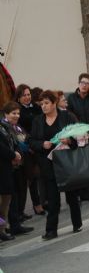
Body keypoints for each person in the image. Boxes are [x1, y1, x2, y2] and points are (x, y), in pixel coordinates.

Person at [30, 91, 82, 240]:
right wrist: (42, 144)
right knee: (52, 198)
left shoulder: (67, 117)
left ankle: (77, 223)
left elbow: (79, 137)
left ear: (54, 103)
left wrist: (70, 141)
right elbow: (32, 141)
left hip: (66, 160)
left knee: (72, 194)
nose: (44, 107)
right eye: (42, 104)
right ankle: (51, 230)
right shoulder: (38, 121)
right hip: (48, 162)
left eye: (46, 103)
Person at [1, 102, 35, 235]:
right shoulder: (3, 127)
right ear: (6, 114)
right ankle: (4, 229)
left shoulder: (13, 127)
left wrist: (17, 153)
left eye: (18, 113)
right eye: (13, 113)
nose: (17, 116)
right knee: (4, 201)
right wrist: (13, 155)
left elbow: (14, 142)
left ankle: (13, 225)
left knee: (12, 196)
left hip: (13, 164)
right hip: (4, 166)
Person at [15, 84, 45, 216]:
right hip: (27, 148)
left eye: (28, 94)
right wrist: (29, 146)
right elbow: (19, 131)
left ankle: (45, 201)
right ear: (18, 98)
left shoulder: (37, 107)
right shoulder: (18, 110)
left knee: (42, 174)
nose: (27, 97)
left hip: (40, 144)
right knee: (31, 177)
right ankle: (35, 204)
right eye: (24, 95)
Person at [0, 111, 21, 241]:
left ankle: (1, 230)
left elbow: (8, 142)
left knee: (5, 201)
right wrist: (13, 155)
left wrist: (14, 153)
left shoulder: (2, 126)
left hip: (5, 168)